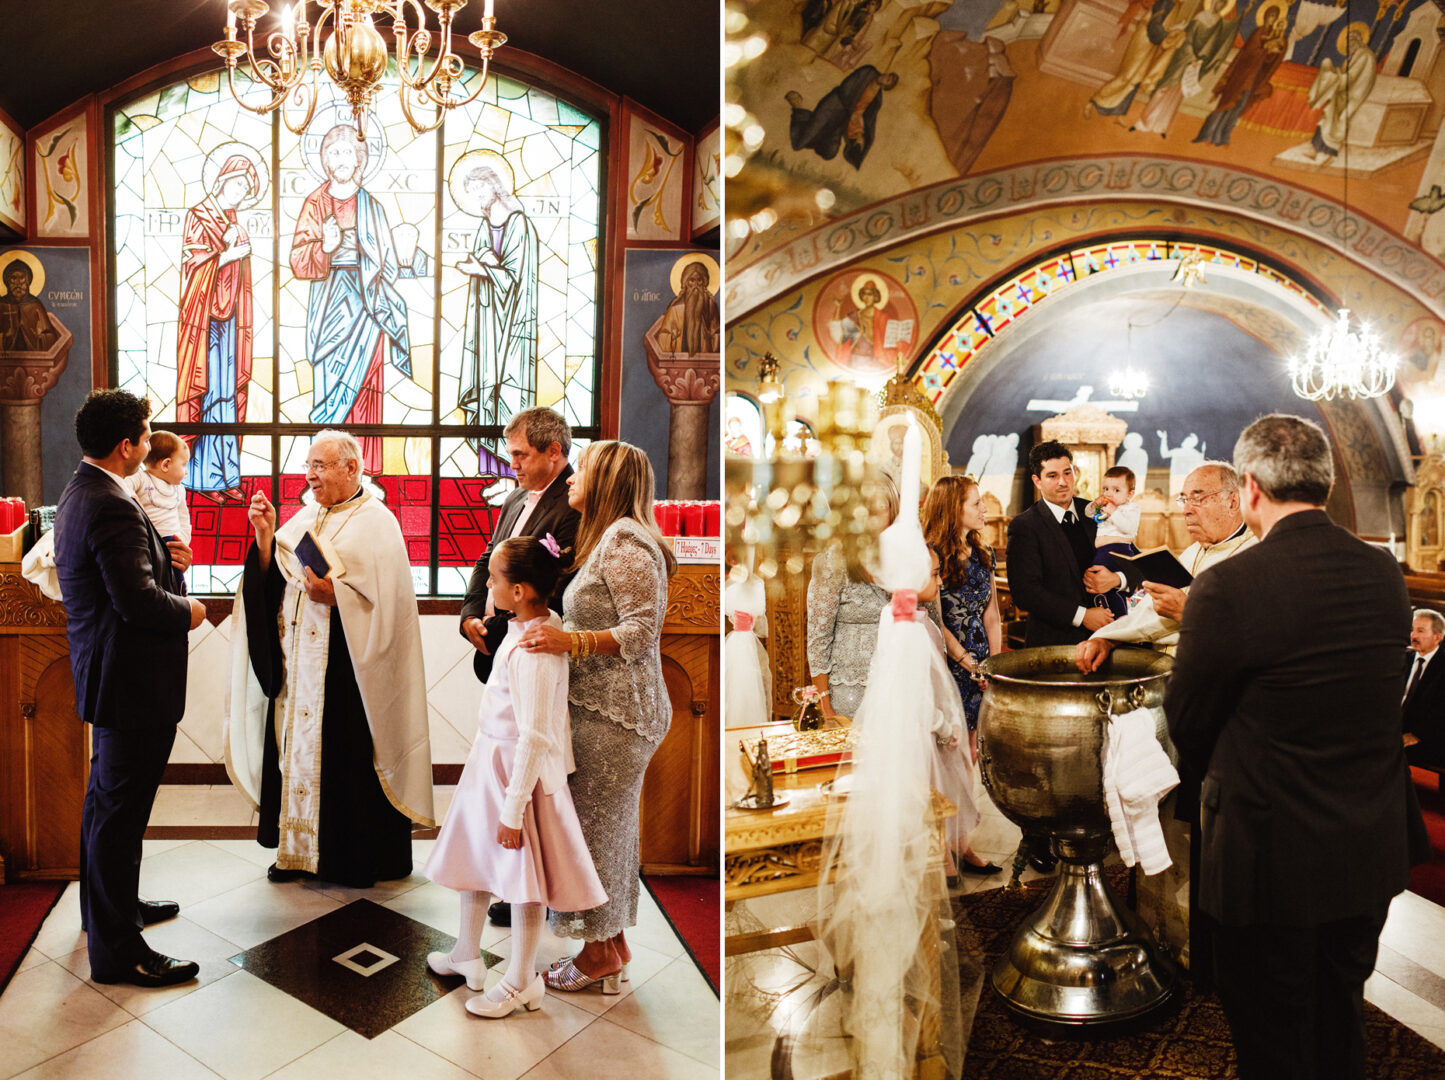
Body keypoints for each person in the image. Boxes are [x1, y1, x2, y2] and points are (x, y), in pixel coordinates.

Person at [1164, 414, 1430, 1080]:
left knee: (1271, 1032)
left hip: (1268, 853)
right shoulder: (1381, 573)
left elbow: (1188, 719)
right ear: (1327, 479)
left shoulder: (1228, 585)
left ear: (1248, 488)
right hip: (1366, 842)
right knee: (1338, 1009)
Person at [225, 430, 435, 887]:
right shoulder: (307, 515)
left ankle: (349, 858)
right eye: (309, 466)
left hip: (348, 670)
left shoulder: (377, 522)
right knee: (295, 755)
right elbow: (276, 580)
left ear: (351, 468)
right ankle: (296, 853)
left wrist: (335, 594)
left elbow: (389, 604)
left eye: (320, 466)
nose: (310, 475)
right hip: (300, 666)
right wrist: (264, 535)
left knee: (346, 759)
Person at [54, 389, 207, 988]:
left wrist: (167, 561)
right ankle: (121, 950)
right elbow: (137, 604)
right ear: (127, 446)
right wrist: (188, 608)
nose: (151, 442)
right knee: (120, 812)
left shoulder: (85, 488)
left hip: (111, 674)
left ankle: (109, 911)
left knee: (107, 805)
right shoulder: (111, 501)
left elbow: (122, 573)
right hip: (131, 681)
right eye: (147, 435)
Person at [515, 440, 676, 992]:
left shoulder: (627, 541)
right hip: (603, 709)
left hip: (619, 715)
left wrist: (569, 641)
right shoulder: (607, 538)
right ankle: (611, 942)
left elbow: (640, 632)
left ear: (606, 478)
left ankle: (597, 954)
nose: (571, 477)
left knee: (594, 833)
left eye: (580, 469)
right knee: (603, 832)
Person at [424, 536, 607, 1018]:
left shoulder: (536, 648)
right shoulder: (533, 624)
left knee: (522, 879)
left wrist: (512, 808)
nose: (487, 583)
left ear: (522, 590)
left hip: (517, 777)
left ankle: (522, 980)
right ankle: (466, 952)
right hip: (491, 762)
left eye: (495, 578)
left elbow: (536, 737)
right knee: (475, 859)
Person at [290, 125, 412, 477]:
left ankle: (365, 475)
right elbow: (298, 259)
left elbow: (389, 262)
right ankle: (322, 474)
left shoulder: (371, 205)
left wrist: (406, 256)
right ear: (325, 160)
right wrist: (324, 248)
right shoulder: (315, 202)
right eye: (334, 153)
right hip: (329, 303)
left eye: (347, 153)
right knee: (329, 384)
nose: (340, 160)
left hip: (367, 304)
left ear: (360, 160)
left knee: (366, 388)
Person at [1076, 461, 1256, 672]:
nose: (1187, 510)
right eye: (1184, 500)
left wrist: (1188, 612)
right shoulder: (1192, 553)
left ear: (1232, 502)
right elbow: (1148, 615)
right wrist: (1107, 640)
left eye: (1197, 498)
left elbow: (1259, 637)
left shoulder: (1258, 558)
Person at [459, 407, 580, 685]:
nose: (512, 464)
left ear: (553, 451)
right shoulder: (516, 497)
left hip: (530, 644)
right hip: (496, 639)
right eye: (511, 454)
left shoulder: (574, 504)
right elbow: (488, 558)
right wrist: (471, 614)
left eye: (520, 454)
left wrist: (495, 628)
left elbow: (557, 585)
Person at [922, 474, 1003, 875]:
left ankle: (962, 843)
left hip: (981, 666)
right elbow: (934, 619)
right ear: (954, 508)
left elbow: (992, 614)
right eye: (976, 503)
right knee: (945, 753)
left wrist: (995, 664)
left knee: (971, 754)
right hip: (946, 661)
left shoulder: (983, 555)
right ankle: (940, 849)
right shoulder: (931, 555)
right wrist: (966, 662)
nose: (984, 509)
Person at [177, 152, 256, 500]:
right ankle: (203, 479)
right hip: (203, 322)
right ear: (223, 180)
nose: (240, 191)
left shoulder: (234, 219)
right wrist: (230, 254)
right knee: (207, 392)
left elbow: (241, 279)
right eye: (238, 183)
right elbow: (194, 268)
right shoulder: (199, 215)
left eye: (246, 187)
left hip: (230, 320)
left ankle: (227, 476)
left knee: (226, 394)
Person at [454, 160, 539, 460]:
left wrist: (486, 269)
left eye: (479, 190)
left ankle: (511, 476)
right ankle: (493, 471)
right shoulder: (483, 226)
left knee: (508, 392)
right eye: (471, 193)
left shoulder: (519, 224)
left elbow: (517, 281)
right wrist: (481, 268)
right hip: (487, 326)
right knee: (486, 391)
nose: (476, 198)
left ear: (494, 186)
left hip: (512, 326)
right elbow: (484, 265)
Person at [806, 473, 899, 720]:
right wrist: (824, 705)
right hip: (849, 690)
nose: (871, 518)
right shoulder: (832, 562)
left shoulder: (906, 560)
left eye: (880, 508)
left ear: (893, 511)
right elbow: (818, 639)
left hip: (897, 683)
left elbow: (931, 625)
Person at [1006, 440, 1113, 648]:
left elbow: (1127, 555)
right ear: (1037, 481)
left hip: (1106, 636)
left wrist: (1117, 579)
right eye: (1052, 476)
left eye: (1067, 473)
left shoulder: (1094, 511)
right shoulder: (1024, 526)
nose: (1063, 482)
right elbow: (1025, 592)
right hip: (1054, 643)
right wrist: (1082, 616)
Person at [124, 430, 192, 593]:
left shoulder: (179, 490)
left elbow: (183, 518)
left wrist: (183, 541)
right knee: (152, 580)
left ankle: (179, 597)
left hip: (173, 542)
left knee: (175, 579)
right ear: (166, 464)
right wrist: (136, 501)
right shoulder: (142, 478)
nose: (186, 471)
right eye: (183, 465)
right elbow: (123, 485)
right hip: (150, 542)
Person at [1085, 465, 1141, 618]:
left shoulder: (1130, 509)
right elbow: (1089, 514)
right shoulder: (1105, 506)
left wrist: (1113, 512)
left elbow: (1129, 529)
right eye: (1106, 489)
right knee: (1103, 587)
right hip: (1103, 551)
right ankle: (1117, 615)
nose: (1109, 493)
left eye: (1116, 490)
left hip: (1117, 550)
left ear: (1130, 494)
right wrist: (1094, 505)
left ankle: (1119, 617)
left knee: (1104, 584)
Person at [1403, 608, 1445, 769]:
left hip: (1426, 733)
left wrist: (1417, 734)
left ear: (1437, 637)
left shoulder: (1442, 665)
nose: (1414, 636)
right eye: (1412, 630)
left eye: (1420, 631)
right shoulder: (1403, 658)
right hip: (1395, 725)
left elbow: (1441, 711)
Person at [654, 259, 720, 356]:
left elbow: (718, 333)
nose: (696, 285)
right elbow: (662, 336)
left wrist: (712, 337)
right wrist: (672, 337)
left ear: (704, 283)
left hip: (705, 361)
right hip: (679, 361)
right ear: (686, 283)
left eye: (699, 280)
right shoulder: (675, 308)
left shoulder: (710, 306)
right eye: (692, 280)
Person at [0, 259, 60, 352]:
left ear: (28, 281)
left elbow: (52, 337)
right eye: (13, 278)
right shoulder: (1, 304)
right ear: (7, 282)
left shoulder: (35, 305)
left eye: (22, 278)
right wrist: (5, 336)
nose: (18, 283)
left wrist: (40, 336)